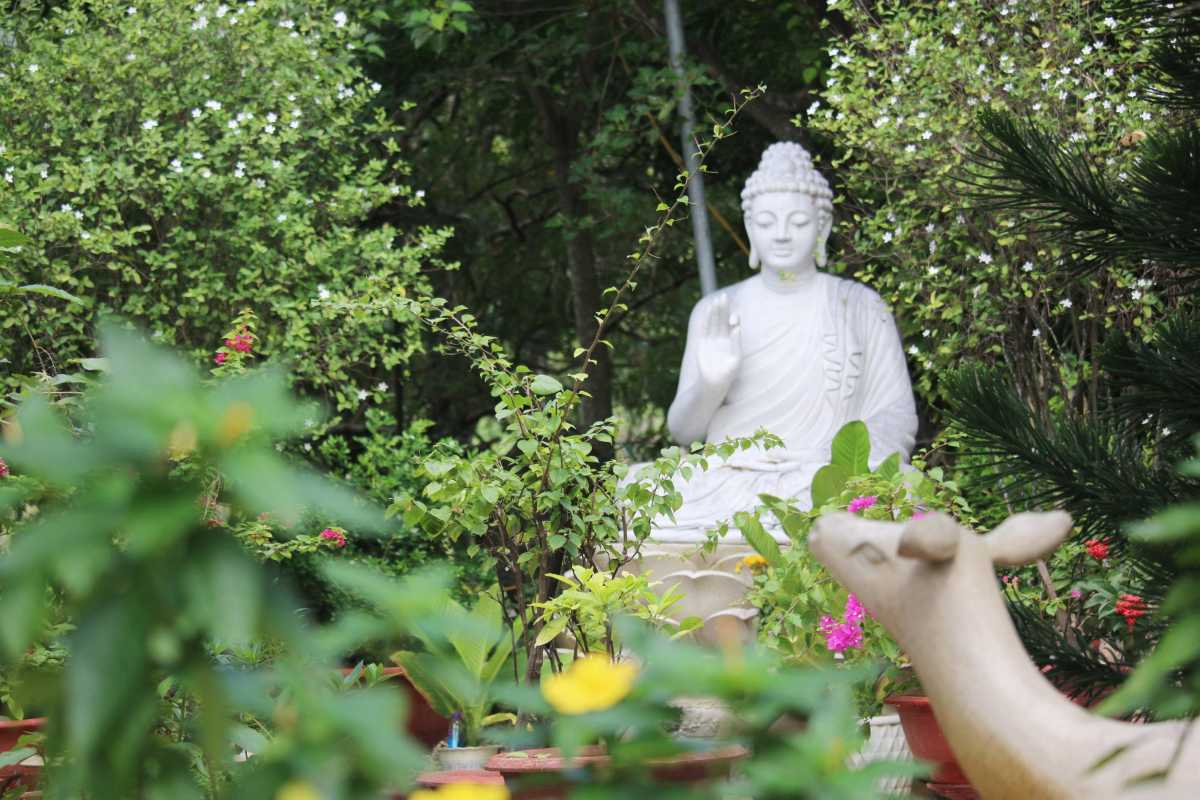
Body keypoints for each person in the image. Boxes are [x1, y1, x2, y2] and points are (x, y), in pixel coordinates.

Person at [653, 142, 918, 544]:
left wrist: (843, 464)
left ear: (822, 228)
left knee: (903, 490)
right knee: (646, 494)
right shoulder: (718, 310)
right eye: (766, 221)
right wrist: (711, 384)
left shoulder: (861, 306)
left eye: (797, 222)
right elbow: (683, 433)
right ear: (749, 228)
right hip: (727, 483)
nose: (780, 234)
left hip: (823, 479)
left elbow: (897, 415)